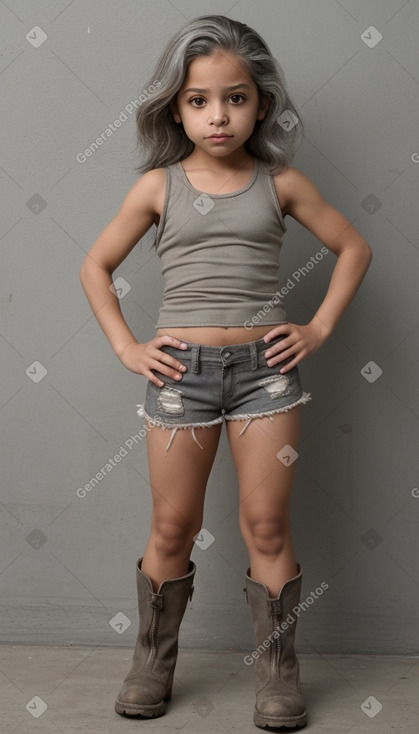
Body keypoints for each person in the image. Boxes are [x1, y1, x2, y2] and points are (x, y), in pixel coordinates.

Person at [79, 14, 372, 730]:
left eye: (235, 98)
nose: (218, 115)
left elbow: (353, 247)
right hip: (179, 374)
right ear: (176, 107)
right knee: (172, 524)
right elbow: (95, 265)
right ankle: (152, 660)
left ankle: (277, 672)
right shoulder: (157, 186)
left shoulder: (280, 182)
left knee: (266, 524)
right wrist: (126, 348)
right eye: (199, 100)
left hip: (264, 377)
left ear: (261, 103)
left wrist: (318, 327)